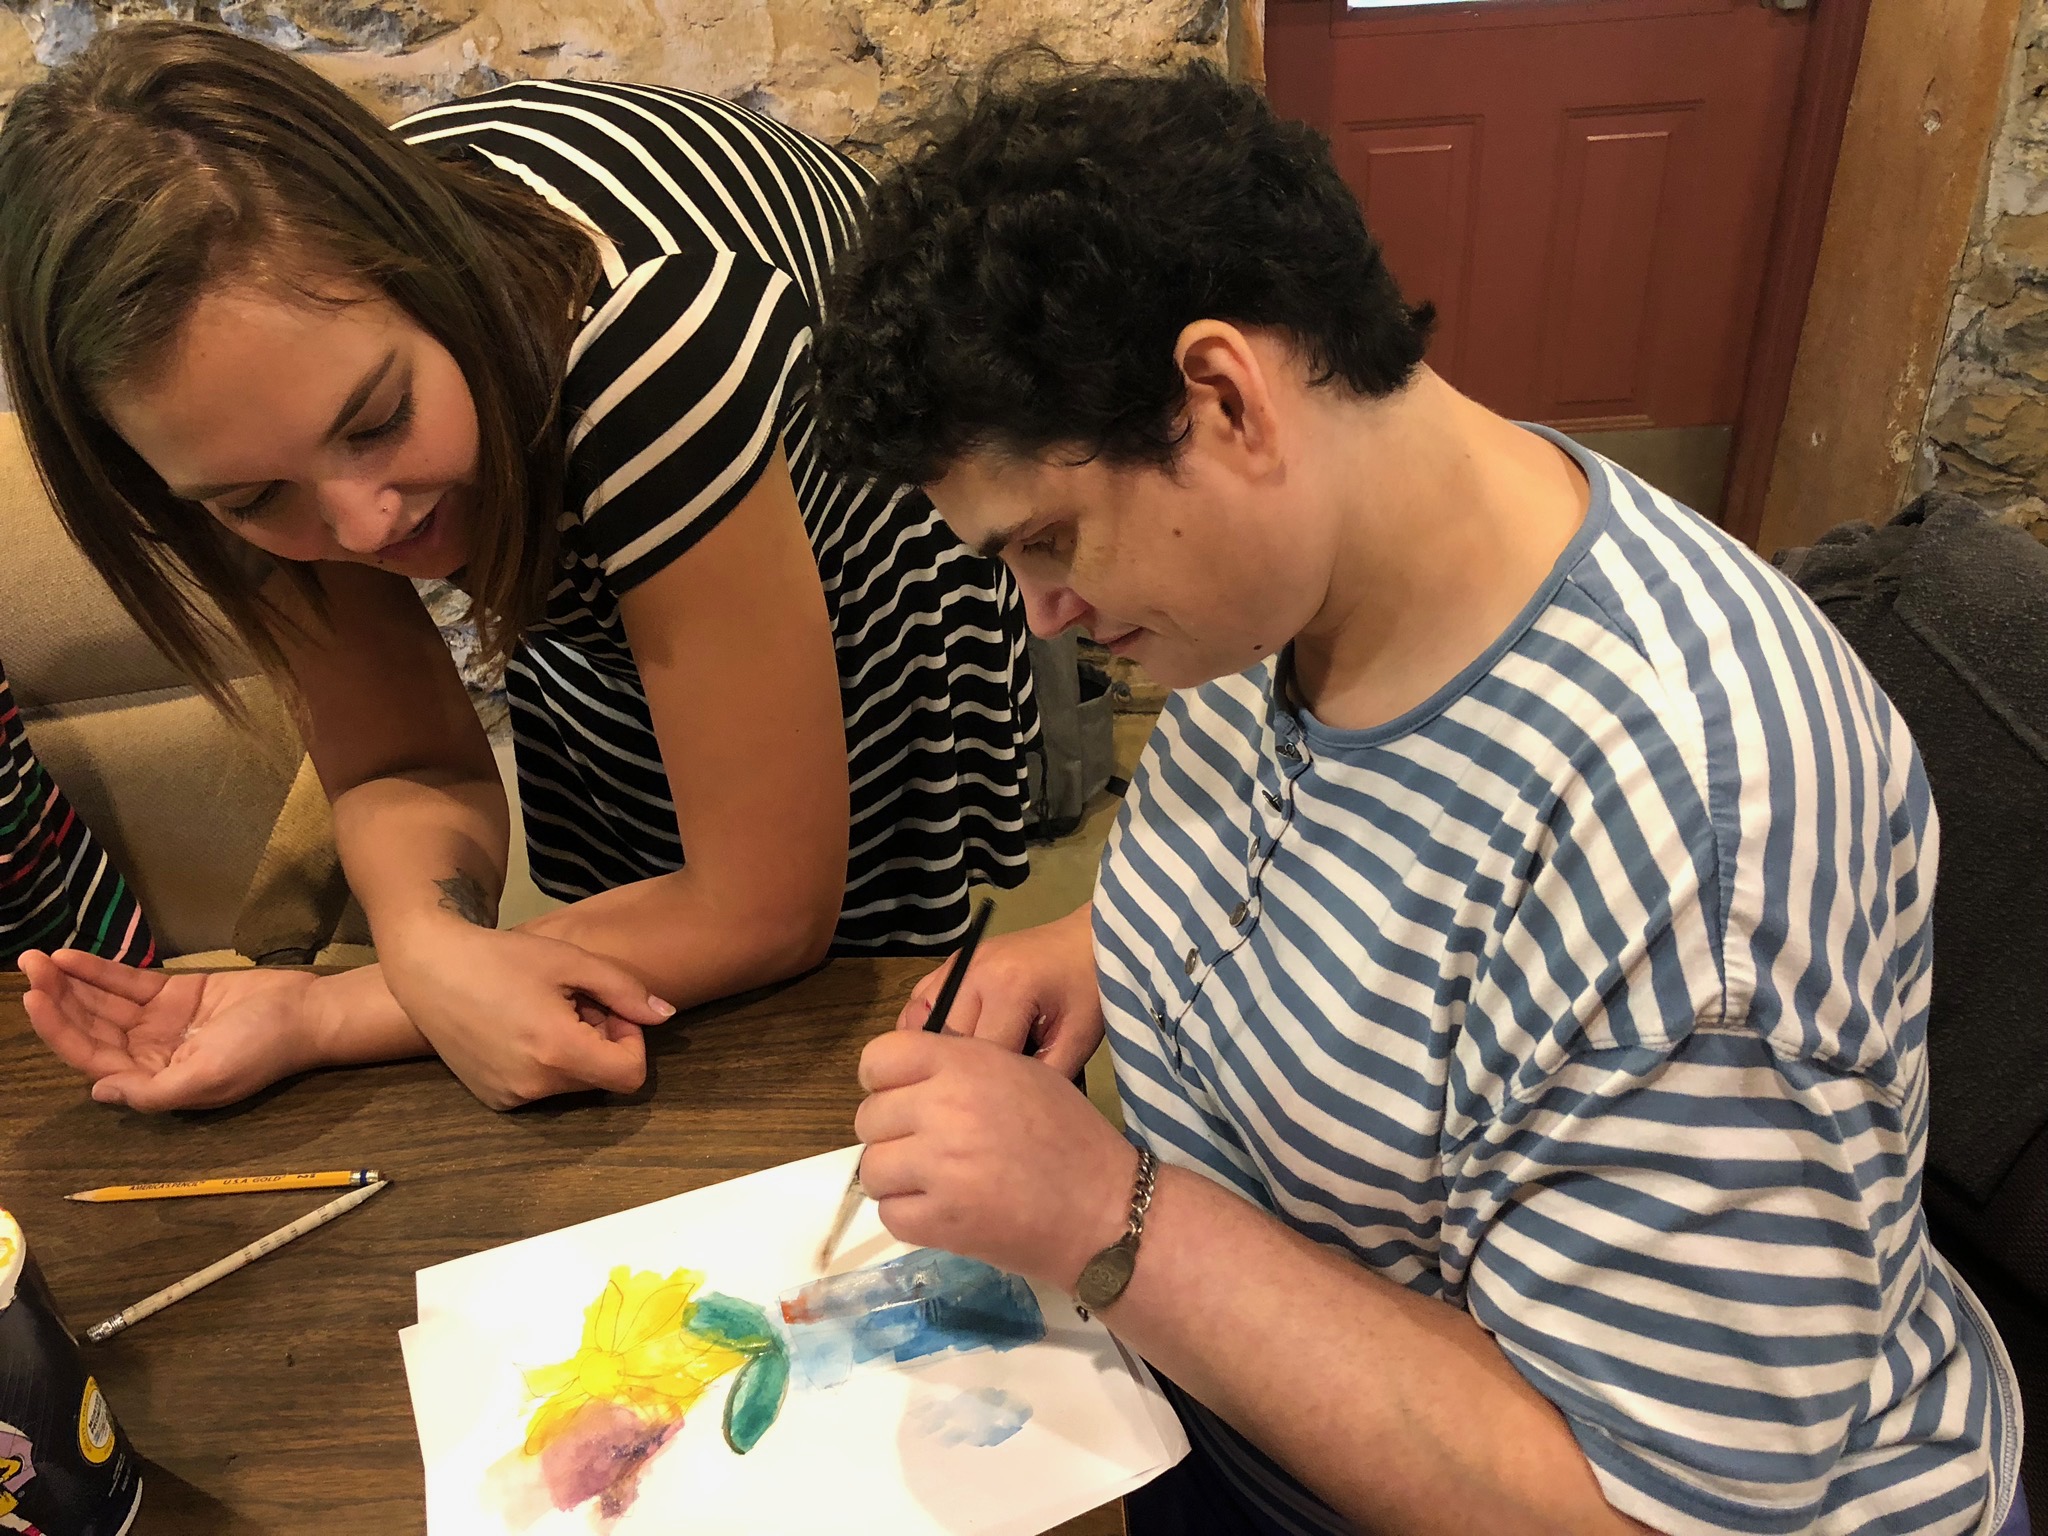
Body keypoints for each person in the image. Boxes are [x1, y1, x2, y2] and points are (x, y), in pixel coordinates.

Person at [811, 62, 2028, 1536]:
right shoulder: (1264, 592)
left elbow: (1642, 1509)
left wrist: (1103, 1215)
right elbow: (1347, 874)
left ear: (1222, 398)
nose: (1042, 615)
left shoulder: (1693, 829)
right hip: (1244, 1403)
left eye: (1050, 541)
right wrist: (1091, 955)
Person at [0, 22, 1038, 1112]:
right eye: (255, 500)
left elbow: (763, 910)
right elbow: (403, 758)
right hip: (559, 450)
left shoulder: (640, 348)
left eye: (378, 419)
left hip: (816, 492)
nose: (360, 529)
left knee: (833, 1001)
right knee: (634, 877)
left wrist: (328, 1011)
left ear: (434, 279)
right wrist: (427, 942)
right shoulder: (217, 422)